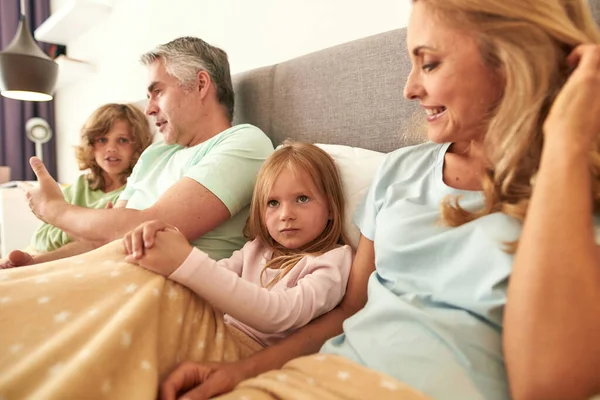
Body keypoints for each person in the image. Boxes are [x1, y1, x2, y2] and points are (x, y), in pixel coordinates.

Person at [155, 1, 600, 400]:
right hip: (319, 376)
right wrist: (241, 373)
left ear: (513, 61)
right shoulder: (401, 170)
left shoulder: (575, 193)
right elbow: (351, 310)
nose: (408, 89)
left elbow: (549, 386)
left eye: (428, 64)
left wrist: (564, 147)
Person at [2, 36, 274, 268]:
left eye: (158, 91)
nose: (149, 108)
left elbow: (149, 229)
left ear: (201, 85)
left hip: (173, 290)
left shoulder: (244, 143)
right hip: (116, 273)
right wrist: (39, 265)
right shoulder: (155, 154)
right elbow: (107, 241)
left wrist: (53, 209)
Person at [122, 142, 353, 347]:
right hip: (214, 330)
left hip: (246, 349)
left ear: (331, 208)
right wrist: (162, 242)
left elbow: (278, 314)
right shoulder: (258, 247)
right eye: (273, 203)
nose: (286, 214)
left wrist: (186, 259)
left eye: (302, 199)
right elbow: (216, 278)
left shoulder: (333, 259)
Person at [28, 103, 153, 255]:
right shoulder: (80, 186)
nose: (111, 148)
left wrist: (69, 224)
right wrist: (84, 229)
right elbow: (40, 238)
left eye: (122, 140)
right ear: (90, 145)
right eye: (102, 140)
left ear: (138, 145)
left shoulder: (138, 189)